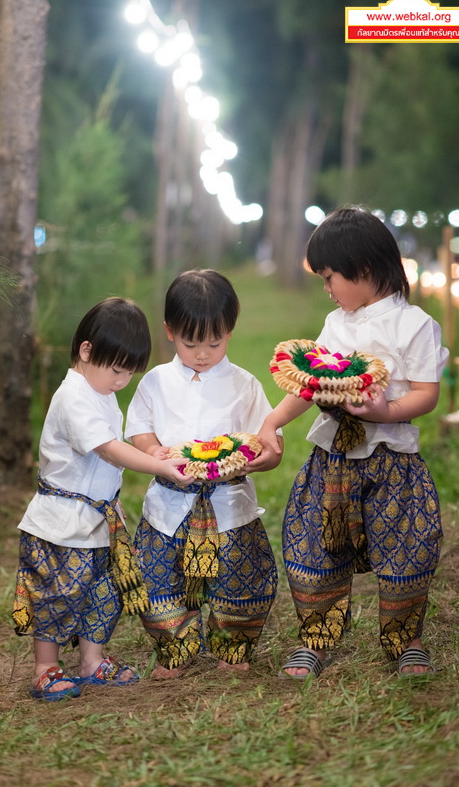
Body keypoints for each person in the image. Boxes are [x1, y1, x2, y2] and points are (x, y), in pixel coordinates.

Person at [254, 207, 448, 679]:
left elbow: (426, 395)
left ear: (363, 270)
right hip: (332, 461)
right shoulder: (336, 324)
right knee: (315, 546)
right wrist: (272, 422)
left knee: (407, 547)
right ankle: (315, 640)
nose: (328, 289)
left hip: (392, 461)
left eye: (330, 277)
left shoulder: (415, 325)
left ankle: (407, 642)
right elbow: (309, 384)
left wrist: (384, 412)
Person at [12, 297, 194, 701]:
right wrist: (159, 467)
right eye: (116, 369)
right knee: (57, 593)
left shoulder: (100, 391)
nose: (121, 381)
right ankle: (45, 668)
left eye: (129, 372)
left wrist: (151, 455)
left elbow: (115, 450)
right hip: (62, 523)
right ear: (86, 350)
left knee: (103, 591)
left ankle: (92, 662)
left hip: (96, 522)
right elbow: (108, 449)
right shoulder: (73, 396)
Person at [125, 269, 282, 678]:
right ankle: (173, 650)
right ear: (170, 332)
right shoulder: (155, 382)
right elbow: (139, 428)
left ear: (230, 330)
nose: (202, 353)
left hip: (229, 505)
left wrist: (262, 458)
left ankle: (234, 647)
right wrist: (151, 449)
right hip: (169, 504)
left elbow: (267, 442)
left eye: (214, 342)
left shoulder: (244, 385)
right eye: (191, 343)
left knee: (238, 579)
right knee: (161, 579)